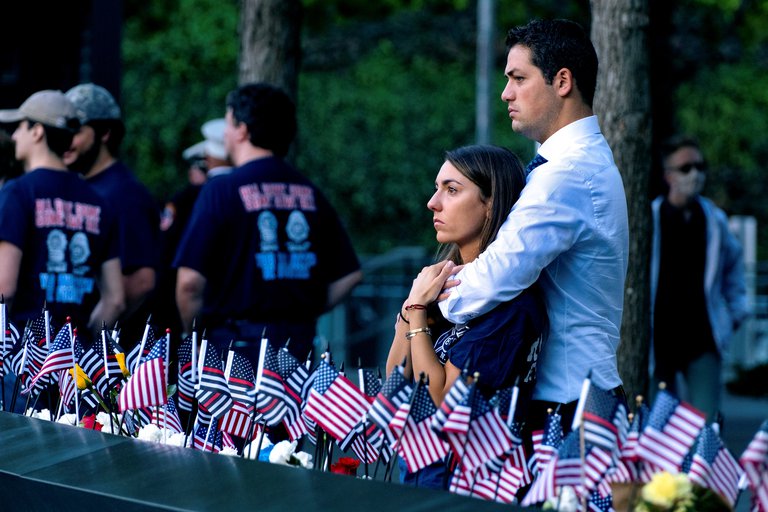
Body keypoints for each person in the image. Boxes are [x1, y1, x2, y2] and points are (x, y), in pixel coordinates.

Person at [438, 19, 630, 433]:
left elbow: (490, 283)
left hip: (569, 406)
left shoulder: (568, 174)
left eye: (519, 78)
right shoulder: (575, 164)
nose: (506, 92)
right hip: (576, 397)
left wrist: (432, 294)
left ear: (562, 81)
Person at [385, 145, 547, 489]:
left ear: (490, 204)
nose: (433, 202)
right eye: (437, 187)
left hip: (462, 477)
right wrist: (411, 307)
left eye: (452, 190)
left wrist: (415, 313)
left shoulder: (509, 304)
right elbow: (396, 378)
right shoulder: (447, 284)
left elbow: (441, 399)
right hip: (419, 462)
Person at [174, 83, 362, 364]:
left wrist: (194, 335)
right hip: (298, 351)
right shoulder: (310, 192)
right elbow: (350, 275)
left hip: (234, 353)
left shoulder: (221, 190)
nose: (225, 133)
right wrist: (306, 309)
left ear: (242, 129)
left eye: (228, 123)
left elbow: (189, 283)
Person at [0, 90, 124, 340]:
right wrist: (84, 342)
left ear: (37, 132)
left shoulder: (18, 192)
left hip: (25, 358)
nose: (14, 136)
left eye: (20, 127)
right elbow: (115, 300)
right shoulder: (99, 203)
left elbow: (4, 288)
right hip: (76, 361)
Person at [650, 136, 749, 421]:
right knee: (657, 425)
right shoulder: (651, 217)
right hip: (660, 340)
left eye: (699, 166)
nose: (695, 174)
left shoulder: (714, 220)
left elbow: (734, 268)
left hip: (702, 339)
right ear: (668, 175)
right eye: (685, 168)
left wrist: (734, 314)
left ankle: (703, 468)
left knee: (707, 423)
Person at [63, 83, 160, 345]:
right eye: (63, 130)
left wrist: (92, 337)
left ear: (104, 133)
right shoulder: (86, 187)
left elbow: (140, 281)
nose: (66, 140)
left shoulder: (124, 194)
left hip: (112, 360)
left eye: (76, 130)